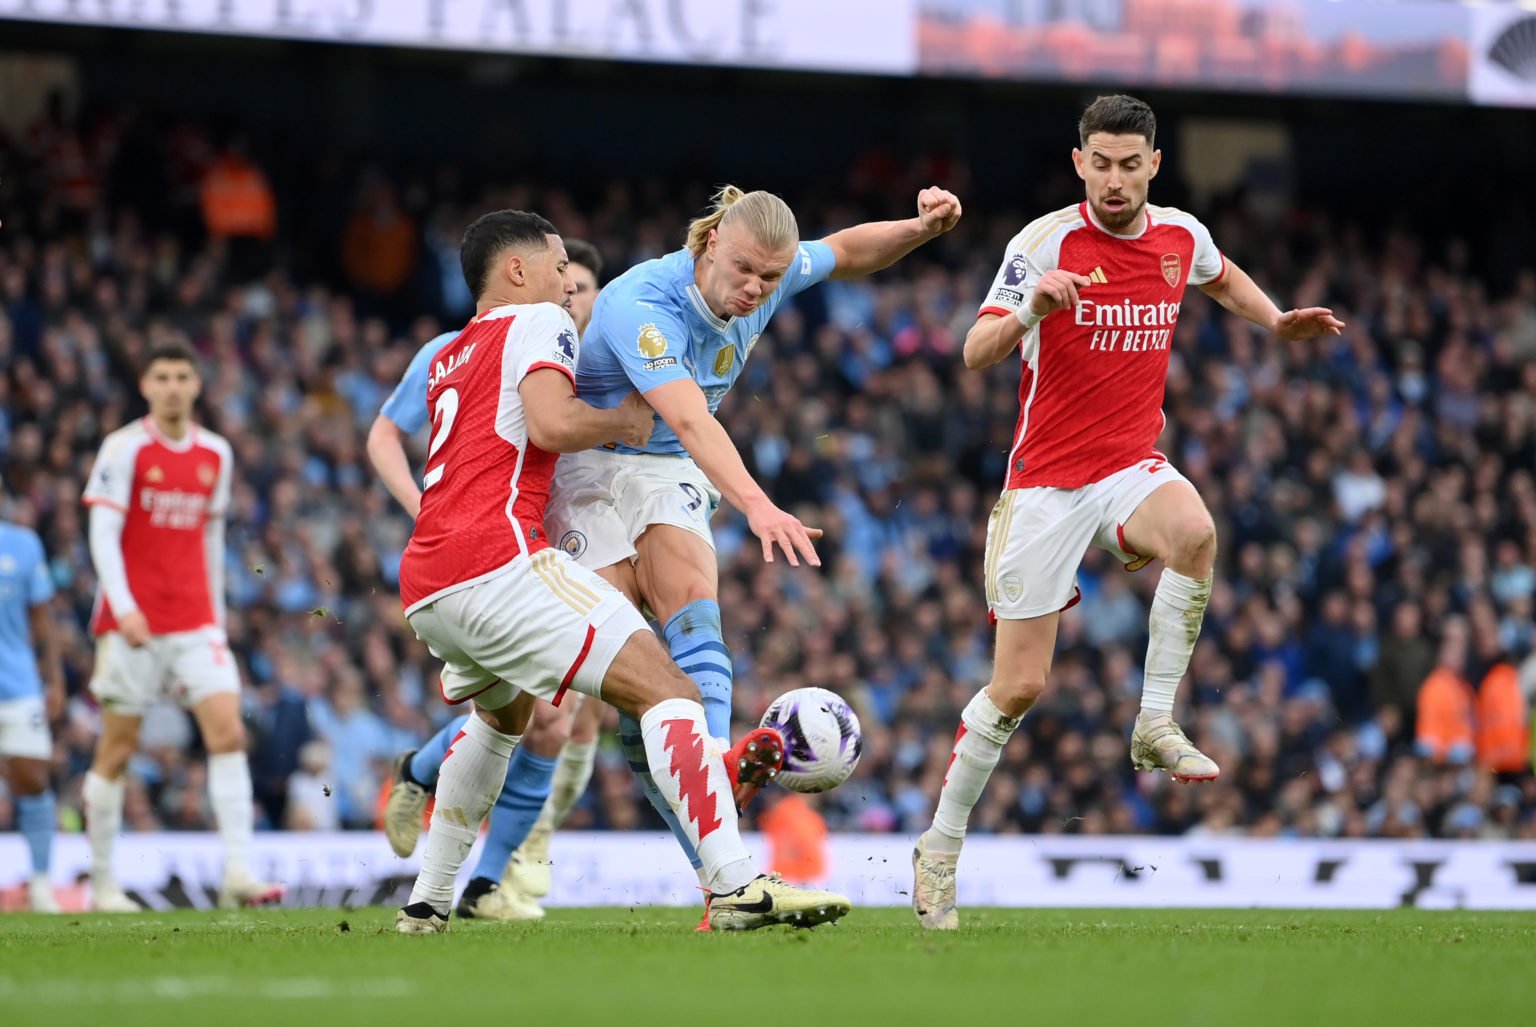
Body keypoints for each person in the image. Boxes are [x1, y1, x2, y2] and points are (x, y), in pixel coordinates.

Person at [911, 94, 1344, 930]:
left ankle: (1154, 721)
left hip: (1129, 465)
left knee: (1196, 532)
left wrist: (1274, 319)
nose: (1114, 180)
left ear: (1154, 164)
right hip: (1044, 484)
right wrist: (1033, 307)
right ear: (1080, 163)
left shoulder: (1181, 234)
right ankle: (940, 847)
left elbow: (1220, 277)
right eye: (1099, 163)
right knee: (1020, 685)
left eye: (1129, 164)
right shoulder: (1042, 243)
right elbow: (972, 351)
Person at [395, 209, 848, 933]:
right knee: (668, 689)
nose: (572, 287)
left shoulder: (451, 352)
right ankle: (735, 884)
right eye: (555, 267)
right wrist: (619, 423)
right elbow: (550, 424)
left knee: (500, 722)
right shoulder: (541, 323)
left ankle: (426, 902)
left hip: (426, 577)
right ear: (517, 272)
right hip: (500, 561)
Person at [552, 183, 961, 928]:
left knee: (695, 630)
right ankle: (433, 782)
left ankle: (723, 856)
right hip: (584, 469)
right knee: (609, 693)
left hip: (666, 467)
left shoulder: (768, 276)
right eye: (742, 270)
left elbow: (846, 251)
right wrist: (757, 502)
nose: (754, 289)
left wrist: (919, 228)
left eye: (769, 278)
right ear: (709, 245)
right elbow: (685, 414)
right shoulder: (644, 301)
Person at [368, 239, 608, 921]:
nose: (574, 294)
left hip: (574, 539)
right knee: (548, 713)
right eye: (567, 277)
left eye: (586, 285)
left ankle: (487, 865)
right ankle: (483, 878)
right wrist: (424, 507)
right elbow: (384, 434)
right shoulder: (462, 344)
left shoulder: (594, 357)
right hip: (502, 546)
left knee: (561, 721)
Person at [81, 342, 284, 912]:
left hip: (195, 620)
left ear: (197, 386)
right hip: (132, 622)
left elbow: (211, 540)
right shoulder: (123, 449)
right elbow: (102, 534)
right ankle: (101, 884)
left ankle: (238, 873)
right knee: (117, 748)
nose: (172, 386)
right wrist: (123, 608)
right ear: (145, 386)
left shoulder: (216, 453)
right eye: (162, 377)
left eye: (182, 376)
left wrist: (216, 620)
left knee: (227, 734)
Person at [0, 503, 65, 912]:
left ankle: (41, 883)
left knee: (33, 781)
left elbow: (43, 619)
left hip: (18, 685)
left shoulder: (23, 544)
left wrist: (55, 680)